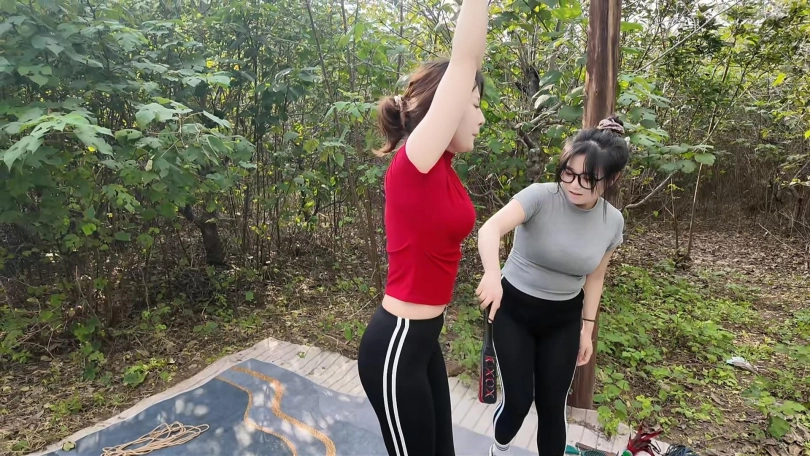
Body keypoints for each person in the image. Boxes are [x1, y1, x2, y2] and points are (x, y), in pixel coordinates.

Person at [355, 0, 490, 454]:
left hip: (424, 343)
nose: (481, 118)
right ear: (443, 108)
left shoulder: (444, 169)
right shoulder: (415, 164)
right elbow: (466, 59)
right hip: (396, 346)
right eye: (474, 105)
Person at [474, 116, 630, 456]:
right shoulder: (540, 196)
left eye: (587, 179)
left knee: (552, 407)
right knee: (518, 401)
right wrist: (492, 275)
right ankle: (498, 450)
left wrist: (587, 329)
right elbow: (489, 229)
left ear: (612, 178)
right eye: (568, 173)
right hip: (513, 311)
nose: (574, 185)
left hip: (563, 319)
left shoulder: (612, 222)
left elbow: (596, 277)